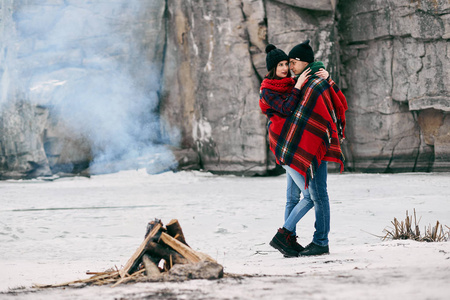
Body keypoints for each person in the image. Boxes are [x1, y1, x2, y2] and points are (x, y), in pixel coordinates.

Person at [259, 41, 347, 257]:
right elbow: (290, 109)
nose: (288, 67)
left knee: (313, 196)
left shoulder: (311, 82)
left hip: (311, 146)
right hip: (294, 148)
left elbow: (334, 104)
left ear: (301, 62)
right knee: (303, 197)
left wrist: (329, 79)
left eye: (290, 63)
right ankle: (287, 239)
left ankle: (315, 241)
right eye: (283, 64)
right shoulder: (289, 85)